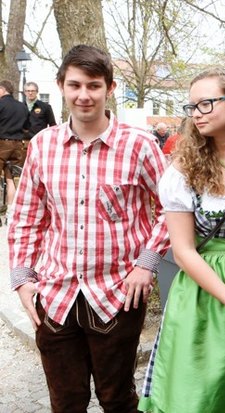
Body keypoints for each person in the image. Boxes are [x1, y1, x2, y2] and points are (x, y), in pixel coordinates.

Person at [7, 44, 169, 413]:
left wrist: (146, 265)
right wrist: (23, 277)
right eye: (75, 85)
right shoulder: (43, 146)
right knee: (66, 402)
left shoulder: (139, 145)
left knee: (118, 400)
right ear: (61, 86)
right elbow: (27, 216)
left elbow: (171, 209)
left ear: (109, 88)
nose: (84, 95)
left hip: (118, 295)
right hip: (55, 293)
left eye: (94, 86)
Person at [138, 68, 225, 413]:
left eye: (206, 103)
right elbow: (183, 251)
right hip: (203, 292)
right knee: (197, 395)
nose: (196, 113)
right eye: (192, 106)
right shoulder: (183, 171)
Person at [0, 80, 30, 210]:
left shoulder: (1, 104)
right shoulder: (22, 106)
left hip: (2, 144)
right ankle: (10, 212)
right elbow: (27, 128)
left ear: (2, 89)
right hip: (18, 145)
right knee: (11, 178)